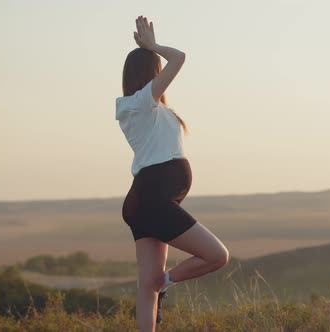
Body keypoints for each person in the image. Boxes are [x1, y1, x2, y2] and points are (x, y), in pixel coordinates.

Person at [115, 15, 229, 331]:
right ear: (150, 73)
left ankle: (158, 289)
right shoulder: (137, 105)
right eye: (156, 69)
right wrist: (154, 46)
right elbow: (179, 58)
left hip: (149, 200)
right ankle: (167, 282)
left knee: (146, 284)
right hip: (151, 199)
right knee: (217, 255)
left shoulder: (153, 109)